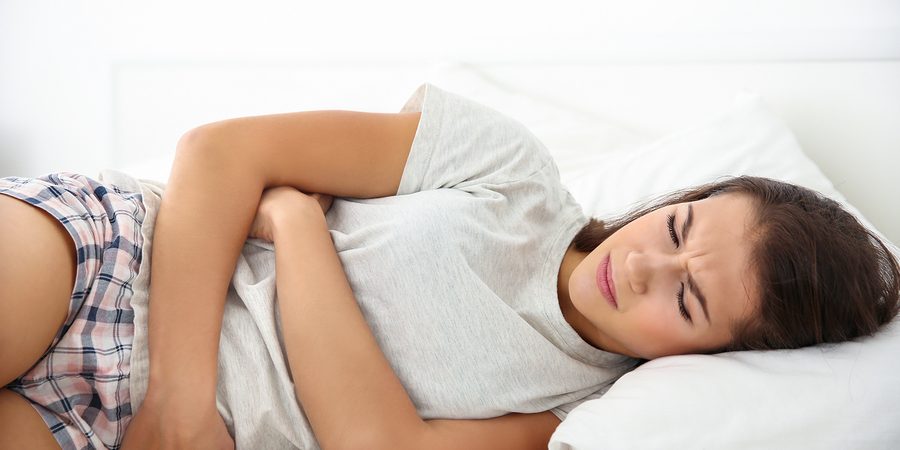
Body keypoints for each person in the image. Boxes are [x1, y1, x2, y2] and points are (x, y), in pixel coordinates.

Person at [1, 83, 898, 449]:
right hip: (123, 264)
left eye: (691, 300)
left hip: (112, 436)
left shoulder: (570, 409)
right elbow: (217, 155)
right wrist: (181, 400)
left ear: (709, 358)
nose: (644, 266)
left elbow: (381, 448)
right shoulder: (510, 171)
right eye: (677, 228)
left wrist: (295, 226)